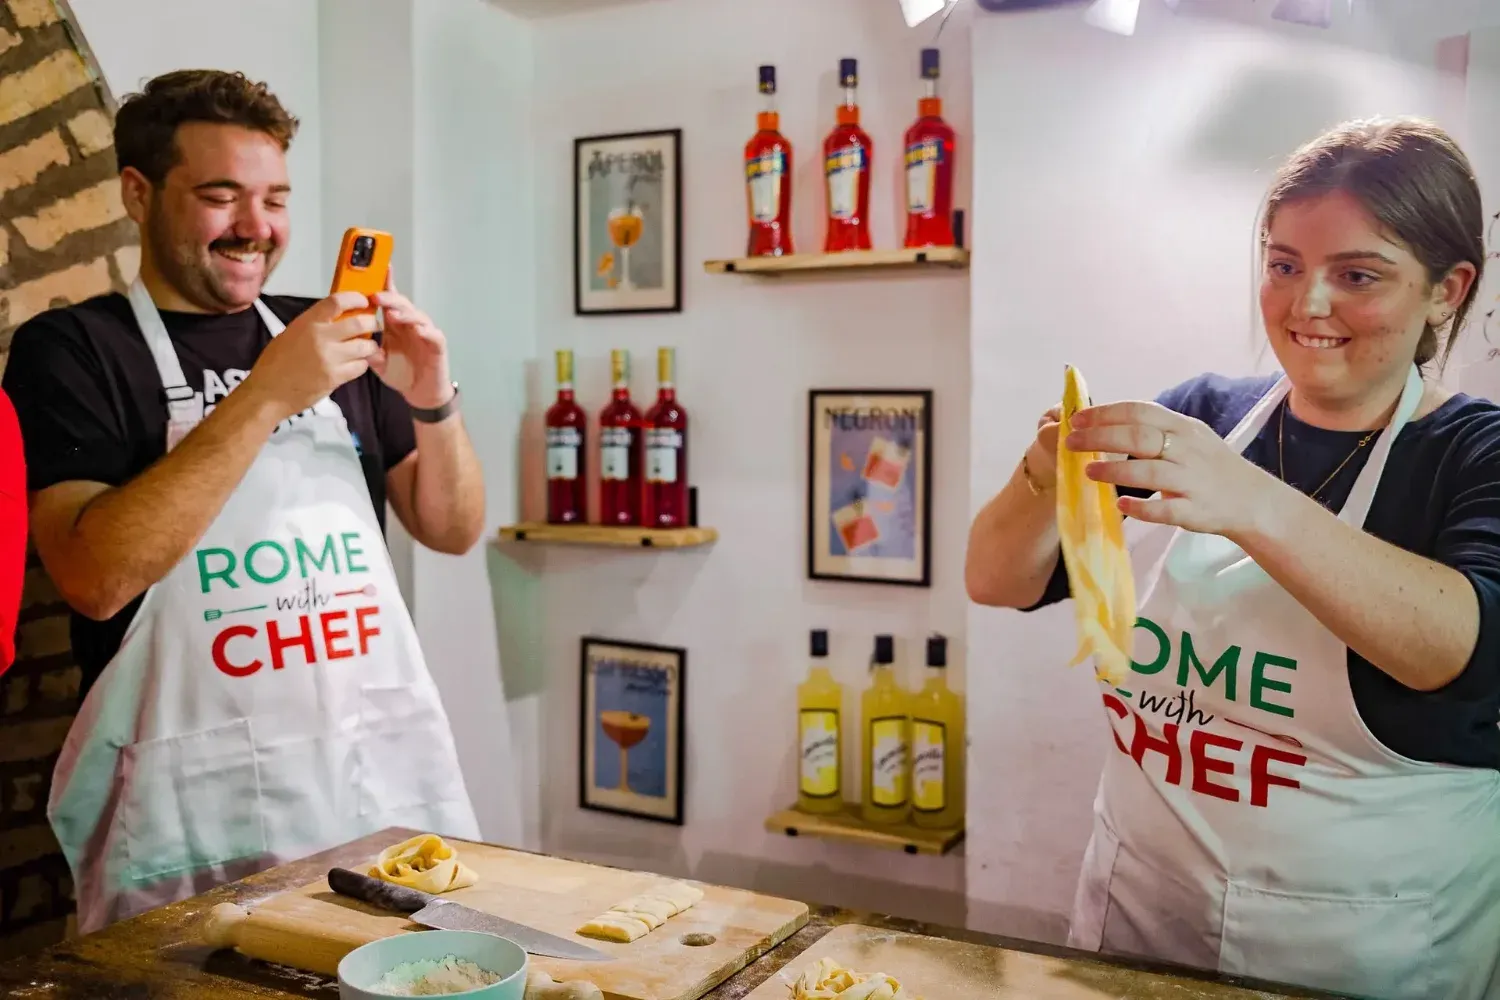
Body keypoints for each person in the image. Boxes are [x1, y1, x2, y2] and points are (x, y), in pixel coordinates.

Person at [964, 116, 1500, 1000]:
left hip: (1367, 944)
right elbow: (997, 580)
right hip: (1143, 917)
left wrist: (1248, 500)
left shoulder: (1471, 453)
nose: (1305, 305)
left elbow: (1458, 650)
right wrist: (1041, 472)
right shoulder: (1207, 413)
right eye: (1284, 264)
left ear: (1447, 290)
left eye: (1357, 275)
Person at [2, 69, 484, 934]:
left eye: (276, 198)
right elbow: (96, 575)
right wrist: (266, 396)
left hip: (365, 787)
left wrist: (432, 396)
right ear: (137, 194)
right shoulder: (72, 350)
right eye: (222, 196)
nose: (257, 228)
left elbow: (451, 528)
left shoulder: (329, 331)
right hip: (188, 821)